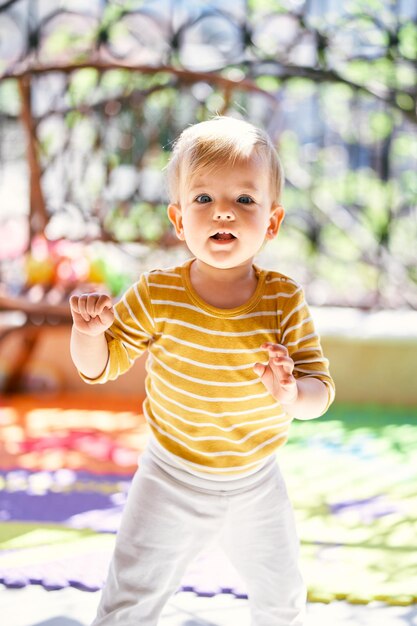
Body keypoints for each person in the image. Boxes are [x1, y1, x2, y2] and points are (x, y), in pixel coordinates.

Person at [70, 116, 335, 626]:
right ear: (178, 219)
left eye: (245, 200)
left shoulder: (283, 299)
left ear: (272, 222)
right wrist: (87, 333)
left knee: (282, 602)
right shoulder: (157, 293)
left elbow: (320, 390)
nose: (224, 215)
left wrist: (290, 394)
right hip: (169, 476)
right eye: (204, 199)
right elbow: (100, 367)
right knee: (126, 604)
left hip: (256, 482)